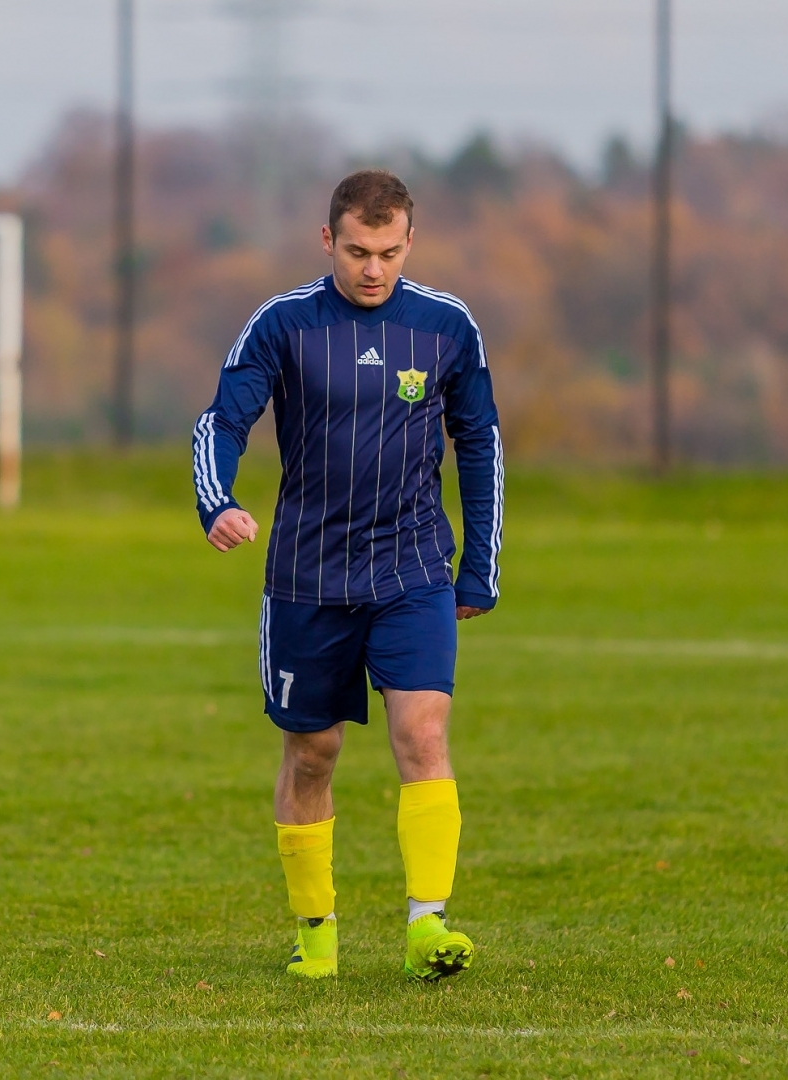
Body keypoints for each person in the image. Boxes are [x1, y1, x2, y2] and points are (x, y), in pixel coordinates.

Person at [193, 169, 503, 982]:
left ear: (411, 242)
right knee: (313, 754)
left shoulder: (445, 327)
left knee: (422, 733)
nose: (374, 269)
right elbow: (224, 418)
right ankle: (316, 932)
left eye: (389, 252)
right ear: (328, 239)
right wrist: (216, 500)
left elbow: (480, 442)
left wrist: (481, 562)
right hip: (307, 573)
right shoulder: (284, 324)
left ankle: (427, 926)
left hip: (413, 566)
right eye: (359, 251)